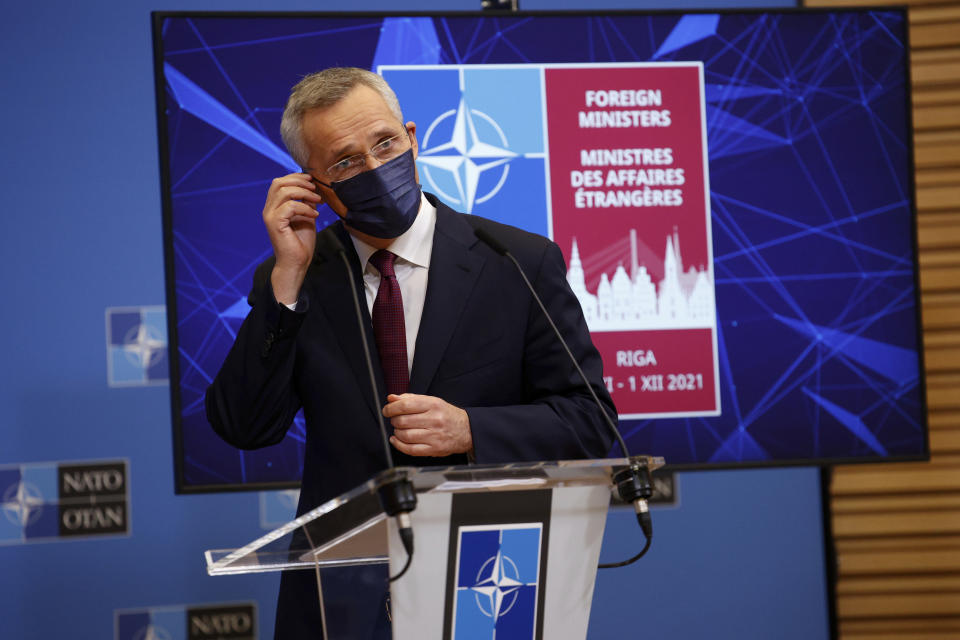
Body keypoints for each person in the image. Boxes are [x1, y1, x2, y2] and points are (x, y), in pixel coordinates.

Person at [205, 67, 615, 640]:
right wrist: (286, 283)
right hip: (340, 595)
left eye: (385, 143)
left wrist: (473, 429)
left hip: (485, 580)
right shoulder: (297, 279)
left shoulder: (517, 261)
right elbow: (244, 426)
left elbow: (593, 424)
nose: (375, 168)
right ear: (314, 185)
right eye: (345, 163)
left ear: (413, 137)